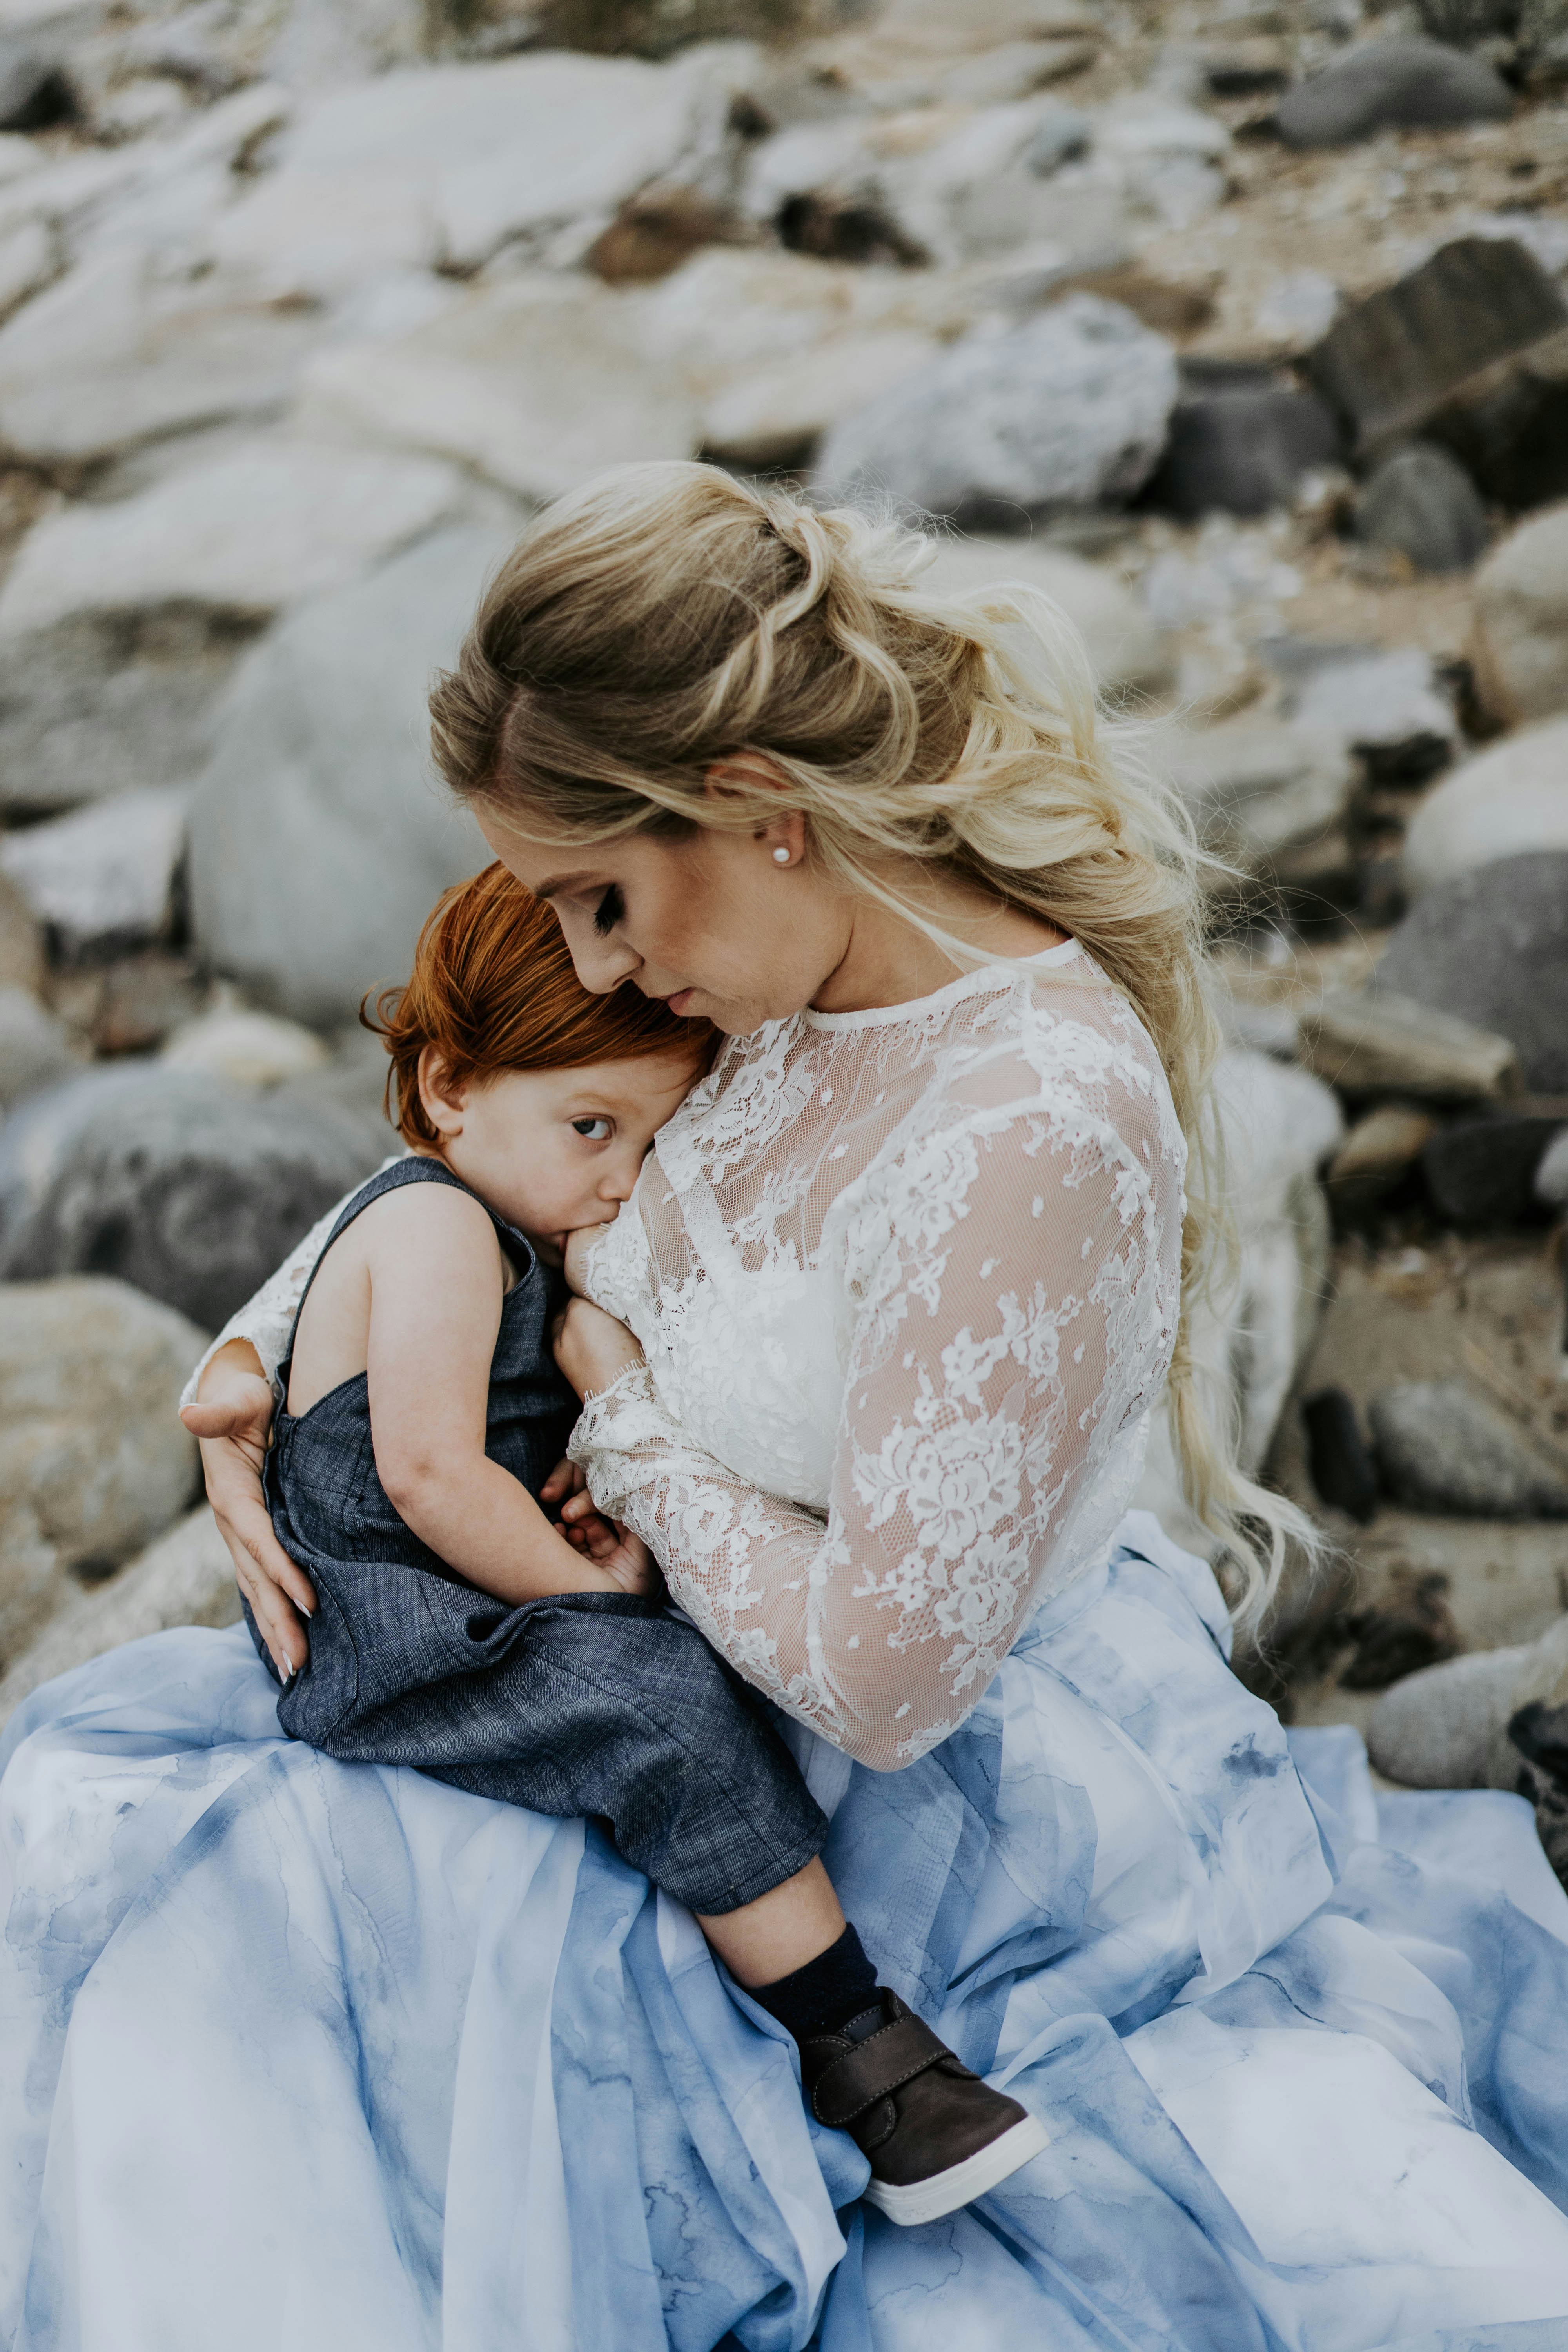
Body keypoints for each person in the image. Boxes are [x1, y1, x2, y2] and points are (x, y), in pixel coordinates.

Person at [4, 461, 1568, 2351]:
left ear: (757, 811)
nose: (595, 969)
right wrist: (249, 1368)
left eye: (599, 902)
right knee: (95, 1875)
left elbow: (889, 1678)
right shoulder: (741, 995)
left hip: (913, 1818)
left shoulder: (1023, 1119)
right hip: (607, 1692)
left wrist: (621, 1427)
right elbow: (480, 1156)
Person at [217, 858, 1044, 2225]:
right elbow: (425, 1474)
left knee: (673, 1689)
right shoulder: (429, 1223)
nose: (618, 1183)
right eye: (592, 1128)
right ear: (447, 1090)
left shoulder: (489, 1218)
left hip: (461, 1597)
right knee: (664, 1702)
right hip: (403, 1628)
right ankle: (873, 2066)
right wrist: (601, 1612)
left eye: (648, 1147)